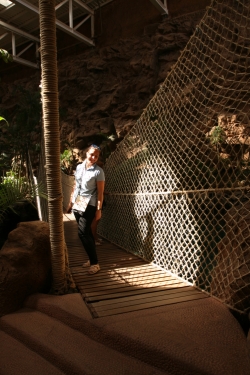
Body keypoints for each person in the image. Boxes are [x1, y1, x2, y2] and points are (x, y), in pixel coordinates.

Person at [67, 144, 105, 274]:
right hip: (78, 202)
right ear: (86, 153)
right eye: (92, 154)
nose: (93, 157)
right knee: (87, 233)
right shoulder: (79, 167)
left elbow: (100, 193)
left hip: (89, 203)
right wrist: (70, 202)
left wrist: (98, 209)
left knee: (82, 233)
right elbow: (75, 185)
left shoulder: (98, 171)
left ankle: (95, 264)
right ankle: (91, 258)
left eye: (96, 155)